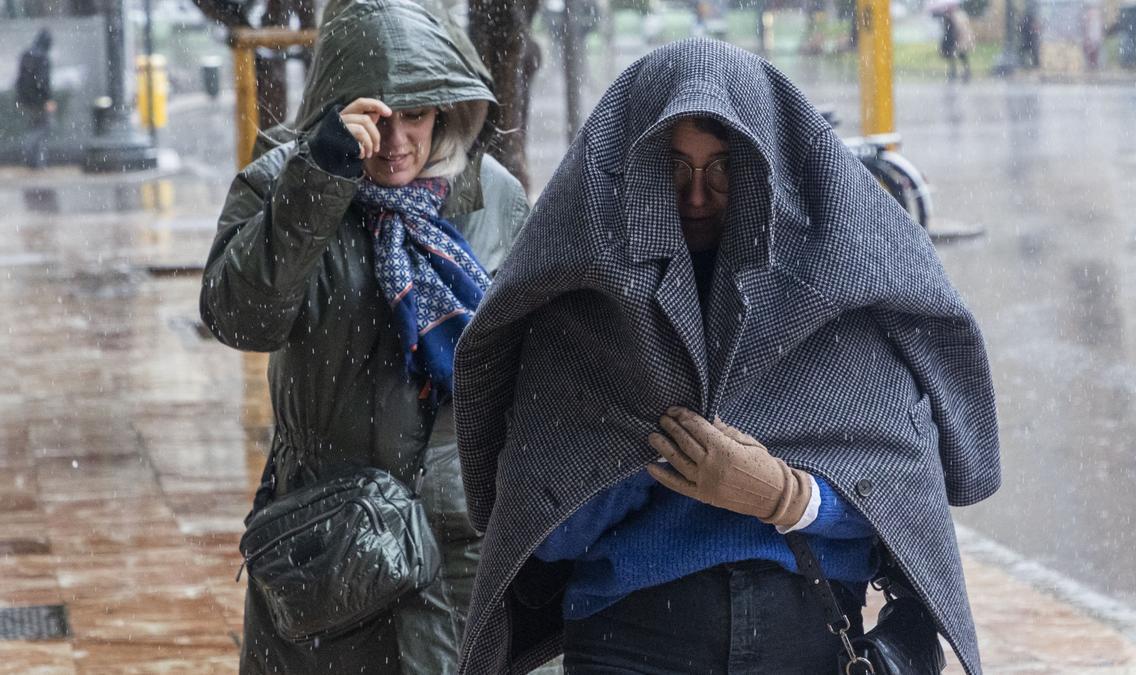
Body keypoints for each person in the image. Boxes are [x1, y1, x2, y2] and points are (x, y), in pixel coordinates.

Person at [453, 39, 1001, 675]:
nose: (696, 196)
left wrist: (785, 496)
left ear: (766, 169)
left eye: (722, 168)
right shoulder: (585, 310)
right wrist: (655, 461)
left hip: (812, 632)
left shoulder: (837, 300)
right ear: (636, 172)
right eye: (675, 168)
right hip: (628, 640)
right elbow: (545, 533)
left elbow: (902, 505)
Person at [198, 0, 529, 671]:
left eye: (417, 114)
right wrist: (320, 179)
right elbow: (240, 316)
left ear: (445, 109)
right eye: (379, 116)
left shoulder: (492, 195)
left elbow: (528, 352)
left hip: (460, 534)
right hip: (332, 530)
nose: (400, 139)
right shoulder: (282, 181)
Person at [14, 29, 56, 168]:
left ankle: (32, 159)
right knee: (43, 128)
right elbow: (42, 81)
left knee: (33, 127)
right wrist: (47, 99)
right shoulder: (43, 57)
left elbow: (20, 79)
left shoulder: (26, 55)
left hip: (26, 99)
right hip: (39, 100)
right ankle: (36, 159)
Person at [936, 4, 975, 81]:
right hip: (961, 37)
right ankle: (962, 72)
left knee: (960, 54)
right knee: (960, 55)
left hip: (960, 37)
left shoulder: (955, 16)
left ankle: (959, 72)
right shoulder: (959, 15)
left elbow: (956, 28)